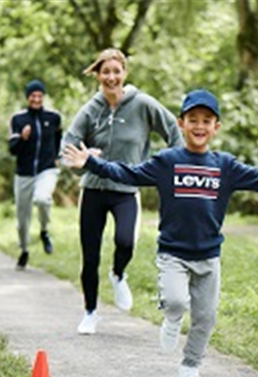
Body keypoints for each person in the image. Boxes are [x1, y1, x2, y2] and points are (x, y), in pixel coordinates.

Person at [61, 89, 258, 377]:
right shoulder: (167, 161)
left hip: (209, 256)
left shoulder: (225, 166)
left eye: (206, 121)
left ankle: (190, 367)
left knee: (206, 318)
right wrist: (91, 163)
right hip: (173, 253)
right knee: (175, 301)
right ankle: (172, 318)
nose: (199, 126)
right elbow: (129, 174)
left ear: (216, 127)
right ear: (181, 124)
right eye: (193, 120)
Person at [60, 48, 184, 335]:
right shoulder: (90, 110)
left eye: (116, 71)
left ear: (124, 73)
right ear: (98, 76)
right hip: (93, 189)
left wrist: (172, 163)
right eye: (106, 72)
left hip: (126, 188)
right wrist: (81, 158)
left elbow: (173, 130)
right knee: (90, 256)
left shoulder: (142, 104)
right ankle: (90, 312)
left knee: (125, 242)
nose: (111, 77)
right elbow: (67, 147)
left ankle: (118, 273)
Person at [8, 80, 63, 270]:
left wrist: (58, 158)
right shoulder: (18, 119)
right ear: (27, 97)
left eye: (40, 96)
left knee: (42, 199)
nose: (36, 99)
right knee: (22, 220)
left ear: (43, 97)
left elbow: (59, 140)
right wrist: (23, 138)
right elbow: (12, 149)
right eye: (33, 96)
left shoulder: (53, 117)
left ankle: (44, 231)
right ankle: (24, 250)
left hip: (46, 170)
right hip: (23, 174)